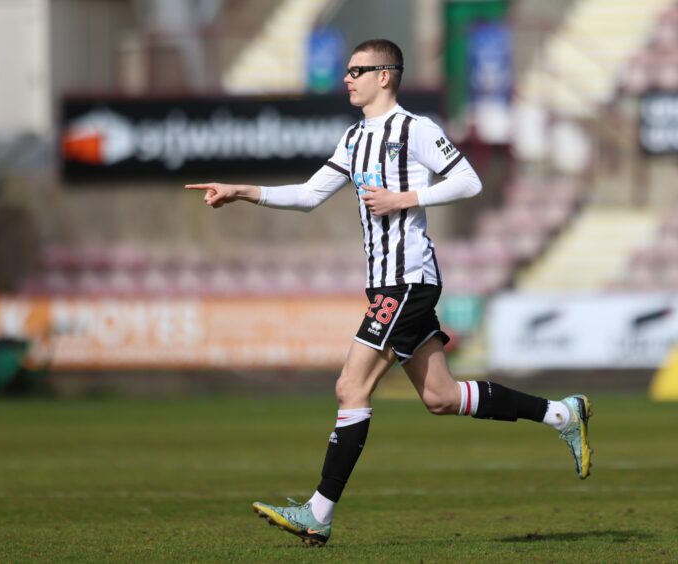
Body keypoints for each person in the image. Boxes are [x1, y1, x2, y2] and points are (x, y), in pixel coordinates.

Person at [186, 38, 593, 547]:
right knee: (442, 398)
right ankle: (562, 413)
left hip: (409, 279)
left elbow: (468, 181)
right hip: (386, 282)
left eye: (357, 70)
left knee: (349, 387)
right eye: (347, 71)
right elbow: (310, 194)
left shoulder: (416, 130)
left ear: (385, 75)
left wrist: (406, 196)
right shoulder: (355, 138)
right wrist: (242, 191)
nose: (346, 78)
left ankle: (319, 511)